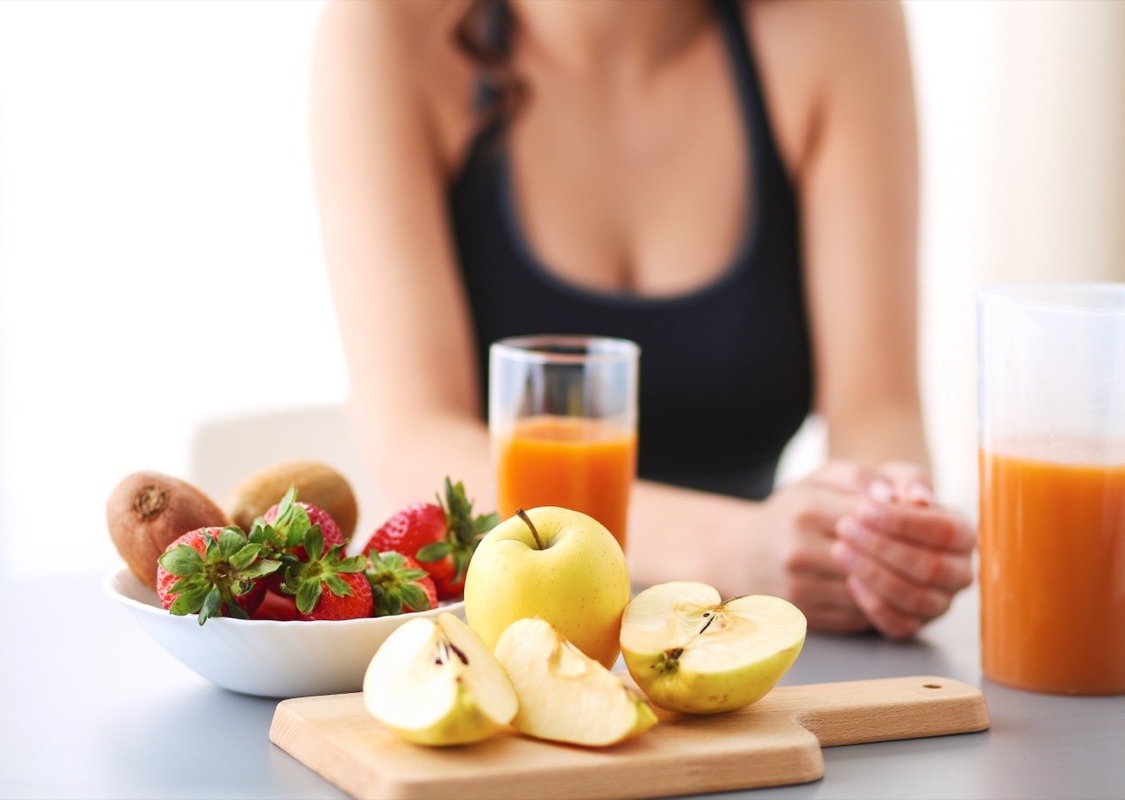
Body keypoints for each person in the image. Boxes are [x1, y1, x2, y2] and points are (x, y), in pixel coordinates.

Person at [309, 0, 975, 639]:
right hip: (496, 646)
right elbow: (415, 442)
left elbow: (879, 406)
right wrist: (739, 549)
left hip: (734, 650)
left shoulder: (841, 22)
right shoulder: (387, 28)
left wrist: (882, 532)